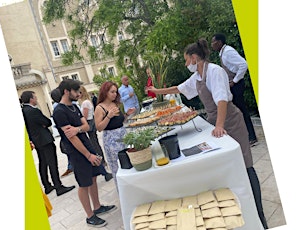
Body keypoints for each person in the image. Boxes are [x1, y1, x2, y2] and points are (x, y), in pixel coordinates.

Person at [147, 39, 268, 229]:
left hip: (231, 122)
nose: (186, 64)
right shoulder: (197, 76)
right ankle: (238, 206)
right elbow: (180, 88)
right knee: (230, 164)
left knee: (245, 164)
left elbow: (221, 100)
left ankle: (260, 215)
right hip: (216, 121)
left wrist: (219, 126)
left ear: (194, 58)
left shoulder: (215, 72)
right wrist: (157, 91)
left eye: (187, 61)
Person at [52, 79, 117, 227]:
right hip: (76, 152)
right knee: (83, 183)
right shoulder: (59, 111)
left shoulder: (74, 106)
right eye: (76, 91)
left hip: (87, 144)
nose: (79, 93)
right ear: (66, 92)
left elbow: (87, 126)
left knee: (93, 177)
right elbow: (72, 137)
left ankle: (97, 206)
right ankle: (89, 216)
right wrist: (88, 155)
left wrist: (78, 128)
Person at [20, 91, 75, 196]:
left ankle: (47, 185)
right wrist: (44, 124)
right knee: (52, 163)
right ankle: (58, 186)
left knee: (43, 163)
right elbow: (47, 122)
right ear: (31, 99)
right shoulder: (33, 111)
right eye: (35, 97)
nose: (36, 99)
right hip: (45, 140)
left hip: (37, 141)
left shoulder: (23, 111)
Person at [211, 33, 258, 146]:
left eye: (213, 42)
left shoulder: (228, 52)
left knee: (242, 111)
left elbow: (243, 64)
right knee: (239, 111)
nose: (212, 45)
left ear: (219, 42)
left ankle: (251, 136)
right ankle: (247, 135)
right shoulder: (223, 53)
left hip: (236, 85)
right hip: (233, 85)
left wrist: (235, 81)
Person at [94, 81, 136, 187]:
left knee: (129, 162)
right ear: (105, 92)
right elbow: (99, 127)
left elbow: (120, 121)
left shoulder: (115, 104)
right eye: (112, 92)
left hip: (123, 136)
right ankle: (122, 191)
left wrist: (127, 114)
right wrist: (108, 116)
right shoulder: (100, 108)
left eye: (116, 92)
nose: (114, 94)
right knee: (117, 166)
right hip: (111, 140)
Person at [79, 86, 113, 182]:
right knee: (95, 143)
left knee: (94, 144)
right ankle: (102, 161)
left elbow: (84, 116)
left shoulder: (85, 103)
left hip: (89, 124)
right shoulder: (87, 101)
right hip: (90, 123)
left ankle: (101, 161)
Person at [50, 88, 73, 177]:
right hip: (70, 130)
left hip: (65, 132)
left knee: (69, 150)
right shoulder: (65, 105)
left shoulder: (56, 106)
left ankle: (70, 166)